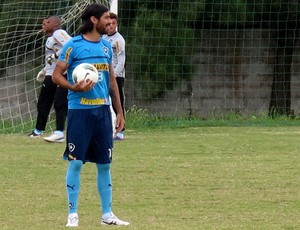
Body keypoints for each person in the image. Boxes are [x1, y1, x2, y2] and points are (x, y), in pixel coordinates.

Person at [52, 3, 129, 227]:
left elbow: (112, 82)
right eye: (106, 18)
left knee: (105, 165)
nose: (110, 22)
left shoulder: (106, 47)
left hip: (102, 113)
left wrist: (119, 111)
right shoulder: (72, 46)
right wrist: (74, 88)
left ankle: (107, 215)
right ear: (94, 20)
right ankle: (72, 214)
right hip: (80, 114)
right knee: (76, 164)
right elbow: (57, 75)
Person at [29, 16, 71, 143]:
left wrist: (56, 55)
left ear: (56, 25)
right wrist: (44, 70)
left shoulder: (59, 33)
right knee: (44, 101)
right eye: (43, 23)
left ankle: (60, 132)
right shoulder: (50, 39)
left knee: (60, 102)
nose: (43, 25)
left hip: (62, 73)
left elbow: (70, 44)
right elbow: (51, 58)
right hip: (52, 74)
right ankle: (39, 130)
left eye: (47, 23)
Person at [102, 12, 126, 140]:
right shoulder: (103, 38)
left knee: (118, 100)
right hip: (104, 75)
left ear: (116, 24)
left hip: (116, 76)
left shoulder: (118, 40)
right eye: (109, 23)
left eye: (113, 24)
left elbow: (121, 59)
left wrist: (115, 75)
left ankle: (121, 130)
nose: (110, 26)